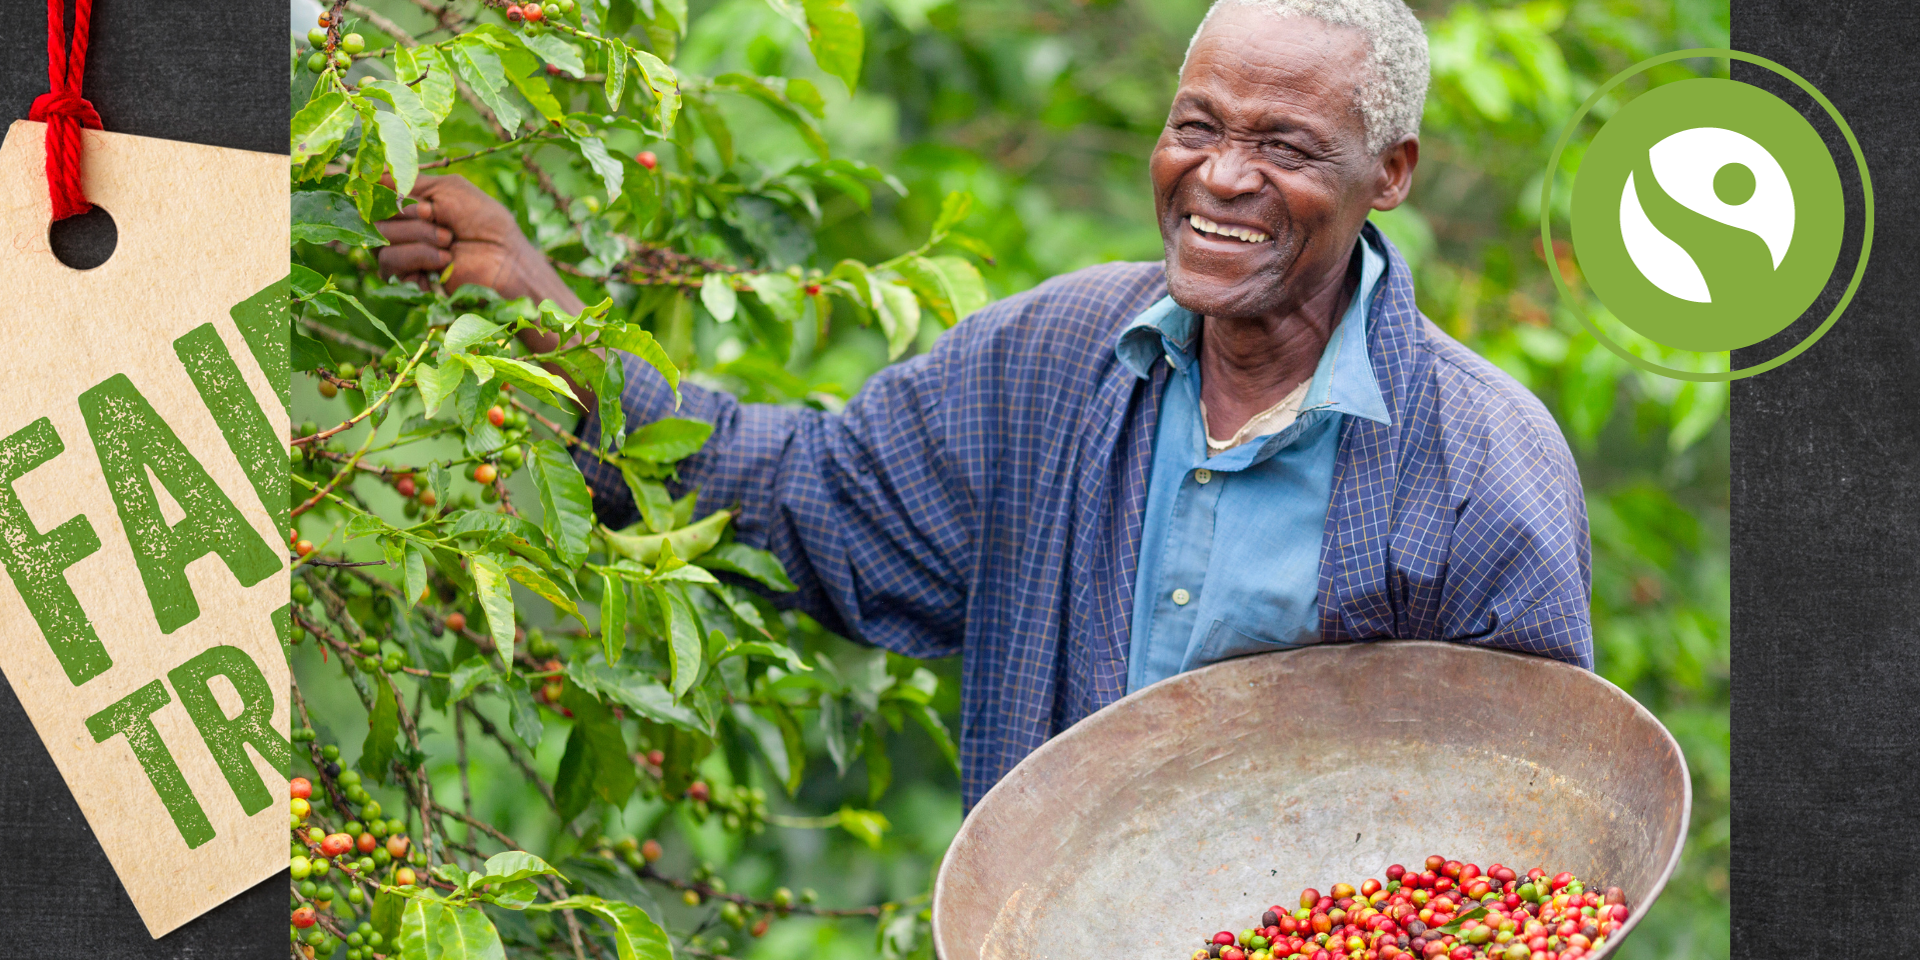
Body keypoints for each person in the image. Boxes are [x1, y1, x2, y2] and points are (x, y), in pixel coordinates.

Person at [376, 0, 1590, 810]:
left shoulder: (1481, 464)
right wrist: (549, 321)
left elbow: (1537, 832)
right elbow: (808, 497)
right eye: (1196, 128)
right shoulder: (1055, 361)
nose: (1223, 177)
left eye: (1285, 146)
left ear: (1390, 172)